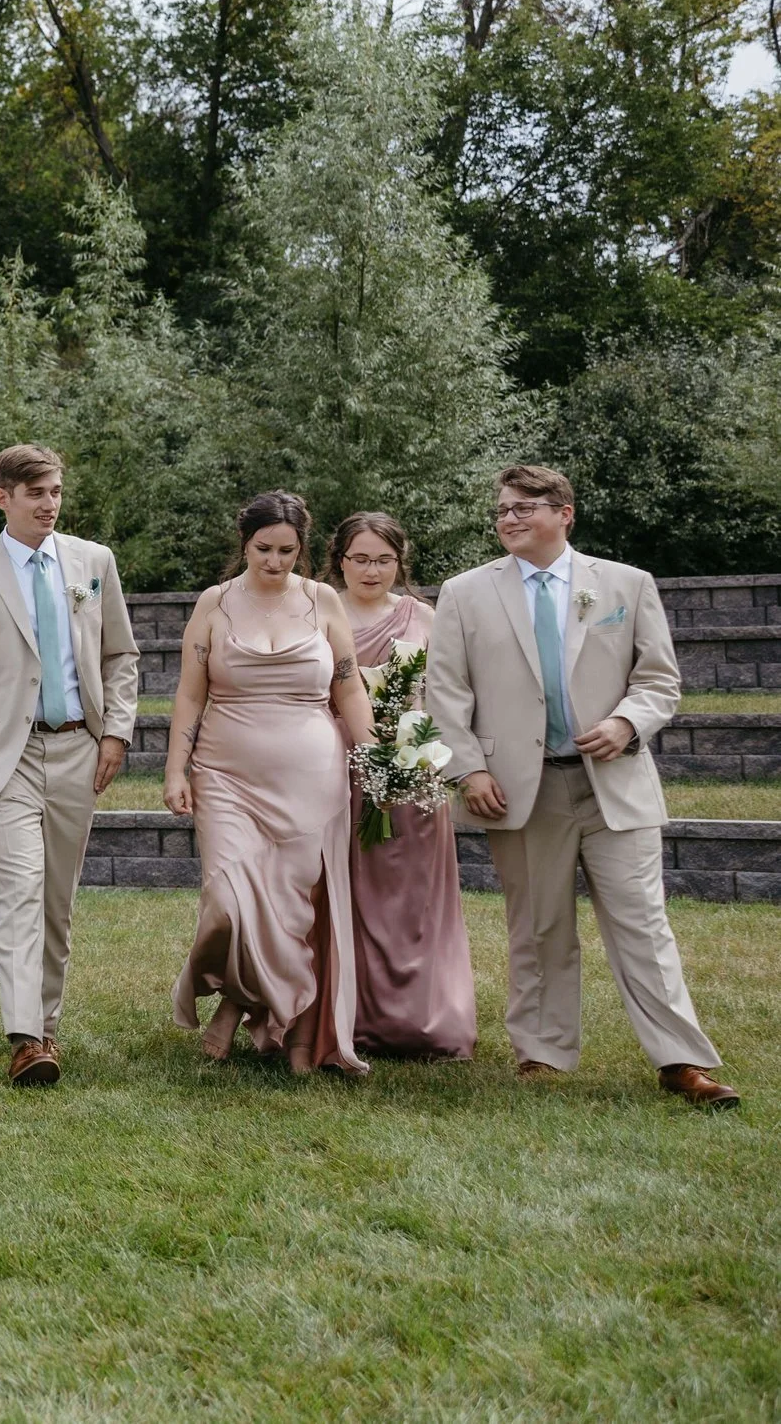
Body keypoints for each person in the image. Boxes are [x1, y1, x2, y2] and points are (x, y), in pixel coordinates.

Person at [424, 465, 736, 1108]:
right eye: (502, 509)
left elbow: (658, 680)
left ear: (564, 513)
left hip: (614, 783)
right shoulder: (464, 592)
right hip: (518, 789)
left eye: (524, 507)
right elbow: (446, 692)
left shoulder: (626, 584)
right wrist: (468, 769)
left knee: (643, 924)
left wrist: (626, 723)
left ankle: (682, 1060)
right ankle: (542, 1052)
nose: (509, 518)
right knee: (538, 926)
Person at [0, 445, 140, 1088]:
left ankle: (46, 1025)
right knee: (20, 889)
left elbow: (120, 656)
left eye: (55, 492)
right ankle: (27, 1039)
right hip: (6, 758)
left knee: (56, 900)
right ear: (3, 498)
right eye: (36, 494)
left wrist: (117, 733)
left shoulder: (94, 563)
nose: (49, 504)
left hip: (80, 748)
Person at [167, 491, 375, 1074]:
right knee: (227, 904)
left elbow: (348, 686)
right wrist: (175, 768)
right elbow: (190, 694)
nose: (275, 561)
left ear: (301, 548)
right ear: (245, 545)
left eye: (287, 550)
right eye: (264, 549)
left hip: (312, 779)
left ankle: (236, 1006)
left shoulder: (322, 600)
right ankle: (239, 996)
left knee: (289, 911)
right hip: (225, 775)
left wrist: (375, 754)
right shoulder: (214, 603)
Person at [329, 512, 476, 1061]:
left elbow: (447, 695)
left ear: (400, 561)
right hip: (338, 767)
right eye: (361, 559)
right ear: (340, 560)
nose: (372, 570)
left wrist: (426, 756)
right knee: (347, 890)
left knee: (415, 896)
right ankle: (350, 1016)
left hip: (413, 771)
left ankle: (426, 1019)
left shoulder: (424, 616)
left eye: (384, 560)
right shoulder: (319, 610)